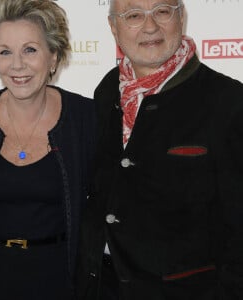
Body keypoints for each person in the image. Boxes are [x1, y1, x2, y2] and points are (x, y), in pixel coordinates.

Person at [76, 0, 243, 299]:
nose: (150, 26)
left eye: (162, 11)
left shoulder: (230, 103)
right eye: (134, 15)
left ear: (181, 17)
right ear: (114, 27)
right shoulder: (106, 91)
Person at [0, 0, 95, 299]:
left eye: (30, 50)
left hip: (59, 281)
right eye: (5, 52)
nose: (17, 65)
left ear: (53, 56)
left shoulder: (87, 117)